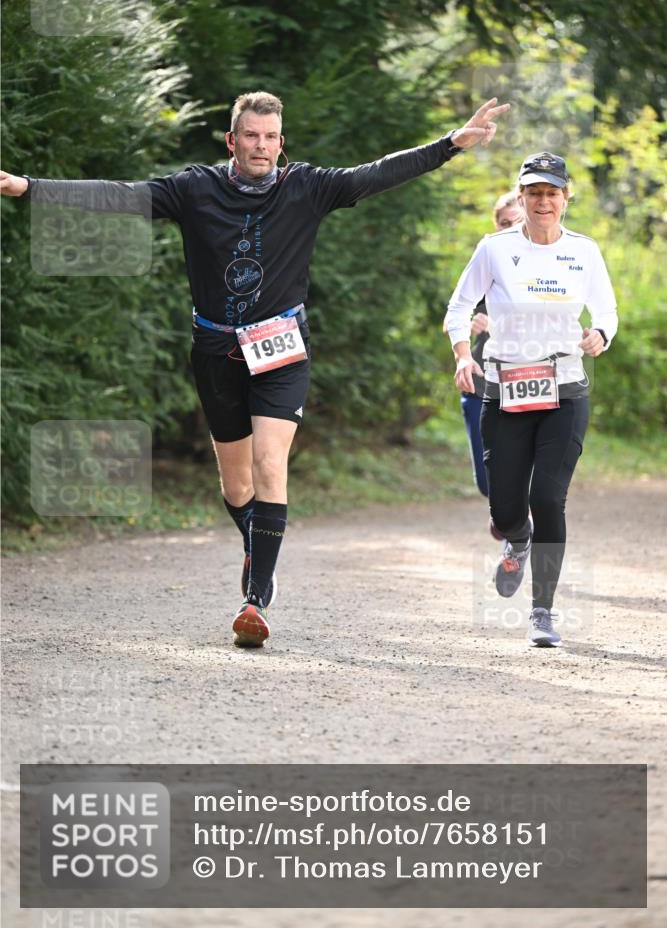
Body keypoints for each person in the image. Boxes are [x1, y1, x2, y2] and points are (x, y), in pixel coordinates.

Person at [1, 91, 510, 649]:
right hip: (216, 350)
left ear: (280, 143)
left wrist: (452, 144)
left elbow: (377, 174)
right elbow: (122, 196)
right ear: (232, 140)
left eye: (270, 137)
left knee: (271, 464)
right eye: (251, 136)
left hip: (281, 350)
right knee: (236, 481)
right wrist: (30, 187)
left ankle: (256, 598)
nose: (261, 145)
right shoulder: (194, 189)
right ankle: (255, 538)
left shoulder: (306, 187)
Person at [445, 152, 617, 648]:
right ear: (521, 198)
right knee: (504, 511)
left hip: (564, 388)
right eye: (534, 192)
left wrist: (600, 334)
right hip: (504, 388)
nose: (543, 201)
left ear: (565, 198)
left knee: (548, 497)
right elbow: (459, 307)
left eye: (552, 192)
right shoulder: (495, 249)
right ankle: (516, 540)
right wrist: (462, 355)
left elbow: (606, 310)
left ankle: (542, 612)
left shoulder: (584, 251)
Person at [444, 192, 523, 505]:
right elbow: (452, 316)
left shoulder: (546, 265)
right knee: (487, 482)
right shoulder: (487, 261)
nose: (510, 228)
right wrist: (474, 324)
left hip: (526, 380)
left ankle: (516, 537)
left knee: (524, 470)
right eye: (504, 223)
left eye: (516, 221)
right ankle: (507, 519)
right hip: (481, 383)